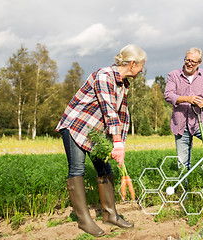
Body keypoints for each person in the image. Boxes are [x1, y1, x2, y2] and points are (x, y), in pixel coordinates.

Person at [55, 44, 146, 237]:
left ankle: (110, 215)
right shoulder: (104, 76)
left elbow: (122, 115)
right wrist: (117, 142)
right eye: (141, 65)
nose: (142, 70)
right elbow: (109, 110)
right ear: (132, 63)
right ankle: (84, 221)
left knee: (105, 169)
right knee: (77, 169)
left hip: (96, 132)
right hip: (77, 127)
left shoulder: (123, 83)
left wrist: (119, 144)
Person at [164, 47, 203, 213]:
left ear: (199, 63)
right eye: (187, 60)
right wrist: (187, 99)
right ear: (184, 59)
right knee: (183, 162)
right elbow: (168, 95)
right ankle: (186, 196)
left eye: (193, 61)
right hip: (180, 122)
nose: (189, 63)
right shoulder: (174, 75)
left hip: (200, 121)